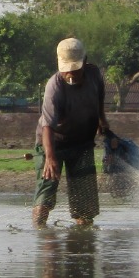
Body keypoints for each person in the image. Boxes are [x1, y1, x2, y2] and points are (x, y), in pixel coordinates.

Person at [33, 38, 111, 227]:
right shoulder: (55, 86)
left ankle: (82, 244)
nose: (70, 74)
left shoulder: (94, 74)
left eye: (74, 68)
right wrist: (50, 158)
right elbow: (47, 126)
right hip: (53, 143)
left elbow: (100, 95)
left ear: (84, 62)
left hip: (82, 144)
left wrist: (102, 119)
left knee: (85, 206)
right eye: (66, 68)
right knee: (46, 193)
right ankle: (40, 230)